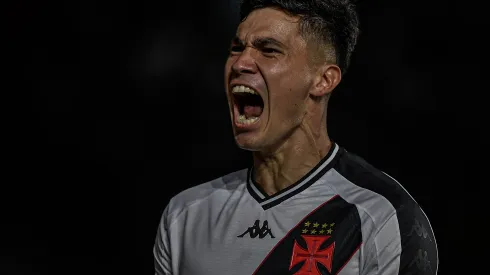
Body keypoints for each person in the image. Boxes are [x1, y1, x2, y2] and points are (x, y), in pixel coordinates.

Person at [154, 0, 438, 274]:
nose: (241, 63)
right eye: (236, 48)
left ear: (323, 80)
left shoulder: (382, 217)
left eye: (268, 50)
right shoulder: (185, 216)